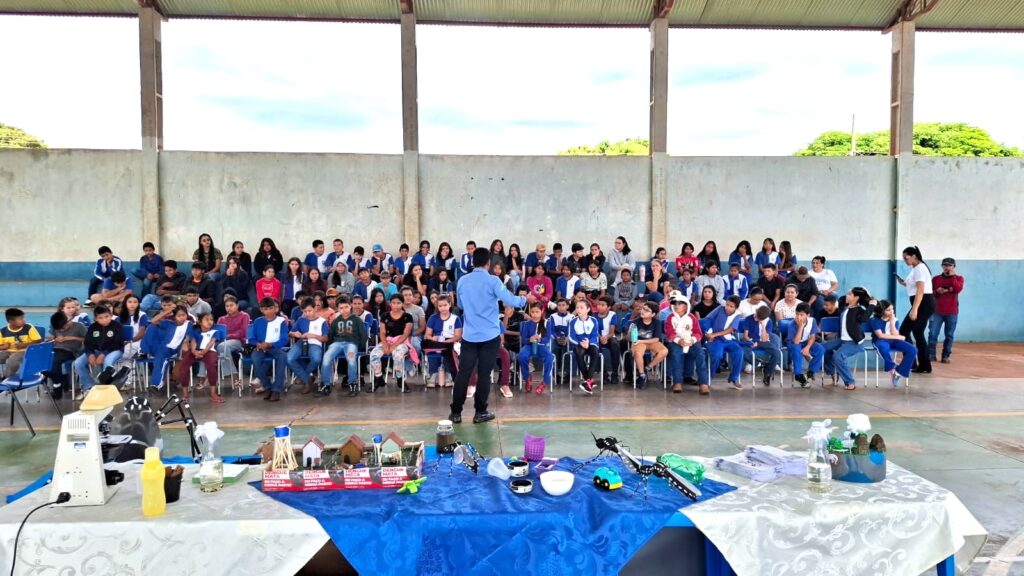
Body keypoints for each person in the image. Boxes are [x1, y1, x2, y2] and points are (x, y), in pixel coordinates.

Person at [449, 247, 532, 424]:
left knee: (463, 374)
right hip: (489, 336)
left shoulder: (462, 280)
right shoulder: (493, 280)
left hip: (469, 336)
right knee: (484, 373)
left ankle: (455, 413)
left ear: (473, 262)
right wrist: (526, 299)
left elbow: (461, 305)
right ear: (488, 263)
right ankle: (480, 412)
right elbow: (510, 300)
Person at [823, 287, 876, 391]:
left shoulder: (859, 310)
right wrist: (855, 293)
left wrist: (872, 305)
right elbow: (842, 299)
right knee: (822, 348)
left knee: (838, 357)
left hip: (854, 342)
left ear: (856, 297)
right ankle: (833, 372)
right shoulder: (844, 307)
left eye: (850, 294)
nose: (846, 295)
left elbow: (864, 318)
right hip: (842, 340)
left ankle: (850, 382)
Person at [896, 246, 936, 374]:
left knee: (903, 331)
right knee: (918, 333)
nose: (905, 260)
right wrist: (904, 282)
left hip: (924, 303)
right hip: (923, 303)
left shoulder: (919, 268)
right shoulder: (916, 268)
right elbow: (914, 286)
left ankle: (911, 362)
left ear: (914, 256)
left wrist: (914, 310)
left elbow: (920, 290)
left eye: (906, 258)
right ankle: (924, 365)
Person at [71, 305, 125, 398]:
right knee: (78, 363)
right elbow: (88, 343)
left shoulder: (117, 326)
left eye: (106, 316)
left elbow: (117, 343)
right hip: (96, 351)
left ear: (111, 315)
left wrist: (103, 354)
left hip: (115, 350)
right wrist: (90, 354)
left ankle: (107, 390)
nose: (104, 320)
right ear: (96, 319)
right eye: (100, 318)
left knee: (108, 362)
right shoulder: (92, 327)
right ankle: (89, 387)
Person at [320, 296, 368, 397]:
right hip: (337, 343)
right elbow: (330, 335)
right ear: (337, 309)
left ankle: (352, 383)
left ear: (350, 306)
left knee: (351, 359)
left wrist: (359, 346)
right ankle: (326, 384)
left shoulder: (357, 320)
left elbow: (363, 335)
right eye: (341, 308)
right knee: (326, 357)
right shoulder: (335, 321)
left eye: (346, 307)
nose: (344, 310)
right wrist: (330, 345)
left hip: (351, 344)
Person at [663, 292, 709, 395]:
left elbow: (698, 333)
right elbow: (669, 332)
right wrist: (679, 340)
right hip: (676, 341)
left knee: (700, 354)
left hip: (691, 340)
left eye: (679, 304)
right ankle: (677, 382)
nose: (676, 306)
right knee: (676, 355)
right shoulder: (670, 317)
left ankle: (703, 383)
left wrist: (692, 340)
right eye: (675, 304)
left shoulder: (691, 317)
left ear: (685, 306)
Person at [139, 304, 191, 391]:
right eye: (179, 316)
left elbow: (190, 338)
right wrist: (167, 311)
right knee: (152, 326)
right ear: (174, 317)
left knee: (160, 359)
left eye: (184, 315)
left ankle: (156, 385)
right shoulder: (169, 323)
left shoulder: (188, 324)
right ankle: (143, 351)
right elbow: (153, 321)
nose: (182, 317)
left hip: (172, 350)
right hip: (160, 347)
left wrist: (186, 343)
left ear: (187, 315)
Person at [175, 312, 225, 403]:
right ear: (200, 322)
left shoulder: (215, 332)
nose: (209, 321)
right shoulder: (195, 331)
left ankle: (213, 394)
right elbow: (193, 341)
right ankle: (185, 394)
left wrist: (204, 351)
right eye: (206, 319)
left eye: (211, 319)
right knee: (183, 367)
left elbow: (211, 343)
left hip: (209, 351)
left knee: (211, 366)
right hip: (195, 351)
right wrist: (194, 351)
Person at [369, 294, 415, 392]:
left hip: (402, 342)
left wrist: (394, 346)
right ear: (390, 304)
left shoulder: (408, 317)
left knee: (398, 355)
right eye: (393, 303)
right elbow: (382, 332)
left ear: (402, 304)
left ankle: (400, 379)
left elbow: (405, 334)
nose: (396, 305)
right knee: (374, 354)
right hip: (387, 341)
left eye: (398, 303)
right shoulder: (385, 315)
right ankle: (378, 378)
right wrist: (385, 345)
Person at [870, 300, 917, 387]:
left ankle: (898, 372)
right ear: (881, 311)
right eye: (888, 310)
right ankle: (892, 367)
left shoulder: (895, 320)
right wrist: (898, 337)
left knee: (912, 349)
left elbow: (895, 333)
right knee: (883, 348)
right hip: (880, 341)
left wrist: (892, 322)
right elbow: (880, 335)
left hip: (894, 341)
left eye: (892, 309)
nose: (891, 311)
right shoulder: (875, 320)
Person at [249, 298, 289, 401]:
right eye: (266, 309)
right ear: (261, 310)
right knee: (255, 358)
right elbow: (251, 338)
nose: (269, 311)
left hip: (275, 347)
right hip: (261, 347)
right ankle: (267, 386)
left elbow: (284, 339)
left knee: (282, 357)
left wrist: (271, 345)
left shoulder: (281, 321)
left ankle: (276, 389)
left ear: (275, 308)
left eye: (271, 308)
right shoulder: (257, 322)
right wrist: (257, 344)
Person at [286, 298, 328, 394]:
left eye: (309, 311)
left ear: (315, 308)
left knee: (316, 359)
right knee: (289, 358)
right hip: (302, 342)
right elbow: (290, 333)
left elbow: (325, 339)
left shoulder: (322, 321)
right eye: (304, 311)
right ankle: (307, 379)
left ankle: (303, 377)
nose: (307, 313)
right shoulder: (301, 320)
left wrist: (313, 335)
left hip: (315, 343)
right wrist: (294, 334)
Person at [704, 296, 745, 390]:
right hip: (715, 340)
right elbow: (707, 320)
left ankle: (734, 378)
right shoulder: (719, 309)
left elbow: (731, 330)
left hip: (728, 339)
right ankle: (708, 378)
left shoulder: (737, 315)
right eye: (727, 304)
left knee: (739, 352)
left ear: (736, 308)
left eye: (731, 306)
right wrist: (708, 334)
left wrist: (715, 334)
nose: (727, 308)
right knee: (717, 355)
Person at [422, 294, 462, 389]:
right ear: (437, 306)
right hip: (436, 341)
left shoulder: (455, 318)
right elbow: (427, 334)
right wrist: (432, 338)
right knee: (425, 343)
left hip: (450, 341)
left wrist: (446, 342)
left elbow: (457, 336)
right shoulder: (433, 318)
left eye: (445, 305)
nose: (443, 308)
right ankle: (433, 374)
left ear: (450, 305)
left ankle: (449, 374)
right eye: (440, 306)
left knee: (449, 349)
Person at [929, 257, 964, 364]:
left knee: (949, 335)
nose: (947, 267)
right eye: (945, 265)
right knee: (932, 334)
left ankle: (945, 356)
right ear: (942, 266)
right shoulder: (936, 279)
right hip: (936, 311)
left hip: (952, 312)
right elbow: (929, 293)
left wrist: (952, 277)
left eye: (949, 265)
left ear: (954, 267)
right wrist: (937, 291)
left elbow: (958, 289)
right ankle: (931, 355)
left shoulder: (959, 278)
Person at [628, 301, 668, 389]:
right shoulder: (635, 322)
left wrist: (641, 341)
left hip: (651, 342)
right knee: (637, 353)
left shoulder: (657, 322)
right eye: (643, 309)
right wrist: (630, 332)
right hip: (638, 343)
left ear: (653, 314)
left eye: (647, 310)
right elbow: (630, 339)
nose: (643, 311)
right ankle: (642, 375)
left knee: (664, 351)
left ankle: (648, 368)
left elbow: (656, 339)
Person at [46, 311, 86, 399]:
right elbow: (50, 338)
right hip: (54, 349)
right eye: (59, 329)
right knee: (41, 363)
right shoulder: (56, 325)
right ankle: (63, 379)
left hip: (69, 351)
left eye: (62, 328)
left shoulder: (79, 326)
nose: (61, 330)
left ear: (67, 321)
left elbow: (87, 339)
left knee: (54, 362)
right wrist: (54, 339)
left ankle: (57, 388)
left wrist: (71, 338)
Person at [740, 306, 782, 388]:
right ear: (756, 311)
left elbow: (765, 339)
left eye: (759, 318)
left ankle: (768, 373)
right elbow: (745, 336)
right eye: (757, 316)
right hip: (751, 341)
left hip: (763, 343)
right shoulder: (749, 319)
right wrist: (751, 342)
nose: (757, 319)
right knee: (743, 352)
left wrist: (763, 326)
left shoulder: (768, 321)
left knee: (777, 352)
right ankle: (759, 364)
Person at [518, 303, 555, 394]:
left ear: (542, 311)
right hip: (529, 346)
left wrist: (540, 339)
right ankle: (527, 378)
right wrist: (529, 339)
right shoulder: (527, 324)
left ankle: (545, 381)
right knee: (521, 356)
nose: (534, 314)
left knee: (550, 357)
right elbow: (523, 339)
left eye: (537, 312)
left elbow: (547, 339)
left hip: (541, 346)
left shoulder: (547, 323)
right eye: (532, 312)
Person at [215, 295, 249, 392]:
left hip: (239, 341)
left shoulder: (244, 316)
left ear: (237, 306)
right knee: (218, 348)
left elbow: (243, 332)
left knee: (222, 347)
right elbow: (219, 333)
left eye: (231, 305)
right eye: (227, 306)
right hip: (224, 342)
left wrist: (228, 336)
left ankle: (234, 376)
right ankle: (233, 376)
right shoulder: (222, 319)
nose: (229, 308)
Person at [568, 298, 601, 394]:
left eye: (581, 307)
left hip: (590, 343)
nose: (578, 310)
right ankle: (588, 381)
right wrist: (580, 343)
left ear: (588, 309)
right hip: (578, 344)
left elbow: (595, 335)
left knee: (595, 352)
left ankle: (587, 380)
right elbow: (571, 336)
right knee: (579, 352)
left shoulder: (593, 320)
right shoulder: (573, 321)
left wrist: (588, 342)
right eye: (577, 307)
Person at [787, 303, 824, 388]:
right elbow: (796, 341)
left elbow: (812, 337)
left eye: (801, 315)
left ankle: (810, 372)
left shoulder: (812, 321)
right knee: (796, 349)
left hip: (806, 342)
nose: (798, 317)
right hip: (794, 343)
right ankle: (798, 375)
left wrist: (807, 347)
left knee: (820, 349)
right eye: (797, 314)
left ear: (808, 315)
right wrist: (801, 327)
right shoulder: (792, 324)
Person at [0, 308, 43, 376]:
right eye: (20, 319)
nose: (24, 321)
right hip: (8, 351)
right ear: (11, 321)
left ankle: (8, 379)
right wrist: (4, 347)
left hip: (25, 351)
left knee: (12, 360)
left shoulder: (28, 327)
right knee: (11, 358)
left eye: (23, 318)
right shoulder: (3, 331)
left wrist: (25, 345)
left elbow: (39, 341)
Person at [594, 296, 621, 385]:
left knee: (615, 345)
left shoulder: (612, 314)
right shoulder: (593, 316)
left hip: (609, 337)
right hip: (597, 338)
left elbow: (612, 331)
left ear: (608, 307)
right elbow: (593, 330)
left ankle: (614, 373)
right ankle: (604, 374)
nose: (599, 306)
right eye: (598, 304)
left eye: (602, 305)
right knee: (595, 348)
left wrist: (606, 338)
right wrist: (600, 337)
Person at [548, 298, 573, 384]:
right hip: (556, 339)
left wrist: (567, 338)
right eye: (559, 305)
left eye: (563, 305)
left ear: (567, 306)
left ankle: (567, 374)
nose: (561, 307)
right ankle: (555, 374)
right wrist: (557, 338)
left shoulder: (571, 317)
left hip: (567, 339)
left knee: (569, 350)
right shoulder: (553, 316)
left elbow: (572, 331)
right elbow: (551, 331)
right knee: (553, 349)